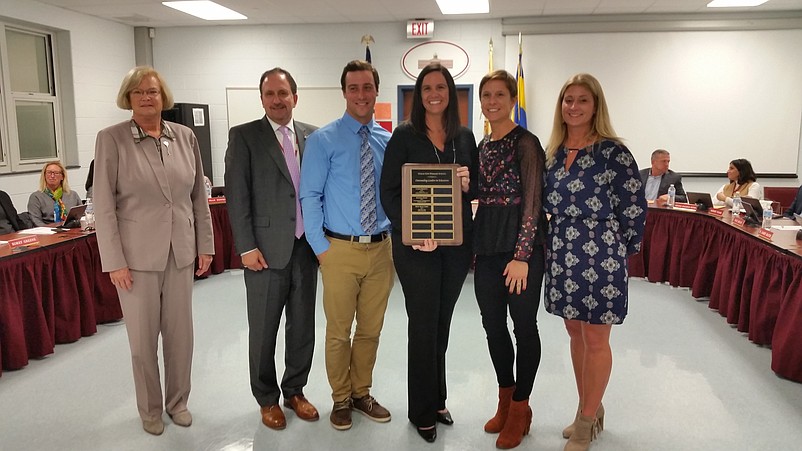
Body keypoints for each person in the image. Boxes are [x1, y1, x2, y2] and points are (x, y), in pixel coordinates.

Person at [93, 66, 214, 436]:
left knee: (181, 337)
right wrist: (113, 261)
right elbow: (103, 205)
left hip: (180, 252)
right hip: (136, 259)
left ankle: (178, 402)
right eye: (139, 92)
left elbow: (198, 197)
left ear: (164, 97)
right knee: (143, 342)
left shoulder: (184, 137)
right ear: (128, 99)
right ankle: (149, 410)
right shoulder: (111, 139)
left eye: (154, 92)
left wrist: (205, 245)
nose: (148, 97)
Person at [543, 73, 647, 451]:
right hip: (562, 252)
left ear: (595, 105)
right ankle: (589, 407)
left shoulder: (613, 153)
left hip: (601, 252)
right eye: (568, 99)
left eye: (582, 100)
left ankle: (586, 424)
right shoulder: (553, 152)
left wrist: (621, 251)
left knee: (596, 336)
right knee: (574, 331)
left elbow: (634, 208)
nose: (573, 106)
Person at [379, 63, 477, 443]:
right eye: (426, 88)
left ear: (450, 93)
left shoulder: (465, 138)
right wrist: (413, 232)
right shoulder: (403, 137)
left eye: (440, 87)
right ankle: (420, 410)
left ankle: (437, 400)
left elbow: (476, 192)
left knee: (442, 325)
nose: (434, 93)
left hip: (454, 248)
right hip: (416, 248)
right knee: (422, 327)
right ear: (418, 96)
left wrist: (468, 184)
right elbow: (389, 192)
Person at [299, 60, 394, 432]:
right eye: (353, 88)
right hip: (338, 250)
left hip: (381, 250)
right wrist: (321, 248)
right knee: (339, 331)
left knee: (371, 330)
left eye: (367, 87)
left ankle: (361, 393)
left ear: (376, 91)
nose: (360, 94)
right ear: (344, 92)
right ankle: (340, 398)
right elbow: (310, 196)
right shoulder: (323, 140)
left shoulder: (387, 140)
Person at [224, 67, 320, 430]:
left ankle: (295, 390)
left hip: (305, 248)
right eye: (270, 94)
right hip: (263, 252)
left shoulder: (313, 135)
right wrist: (246, 246)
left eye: (284, 93)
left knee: (302, 327)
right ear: (262, 99)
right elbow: (237, 195)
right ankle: (266, 398)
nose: (278, 100)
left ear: (295, 96)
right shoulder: (245, 137)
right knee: (264, 329)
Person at [473, 70, 547, 450]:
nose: (491, 101)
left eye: (499, 94)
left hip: (522, 251)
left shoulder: (527, 143)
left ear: (512, 99)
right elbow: (481, 192)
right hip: (486, 246)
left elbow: (533, 201)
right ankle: (505, 396)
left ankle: (521, 408)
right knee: (492, 325)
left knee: (523, 326)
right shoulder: (482, 144)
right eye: (486, 95)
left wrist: (522, 257)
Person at [27, 161, 82, 226]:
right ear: (44, 176)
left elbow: (82, 216)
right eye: (49, 173)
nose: (52, 176)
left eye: (56, 173)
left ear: (62, 177)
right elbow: (36, 221)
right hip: (48, 232)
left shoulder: (72, 195)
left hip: (72, 230)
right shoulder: (36, 197)